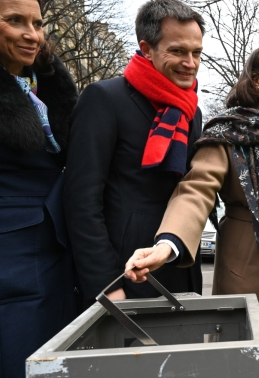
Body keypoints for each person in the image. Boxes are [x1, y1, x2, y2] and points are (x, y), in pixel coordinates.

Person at [125, 39, 259, 374]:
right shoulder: (227, 132)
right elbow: (196, 190)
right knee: (251, 372)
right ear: (256, 80)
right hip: (250, 267)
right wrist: (168, 243)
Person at [64, 0, 205, 307]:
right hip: (124, 279)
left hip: (179, 271)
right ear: (146, 48)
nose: (190, 63)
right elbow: (81, 201)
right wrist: (106, 285)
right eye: (178, 51)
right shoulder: (103, 99)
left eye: (197, 53)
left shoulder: (193, 112)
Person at [0, 0, 79, 378]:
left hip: (57, 251)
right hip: (11, 259)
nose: (32, 34)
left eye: (37, 23)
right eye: (15, 21)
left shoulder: (45, 85)